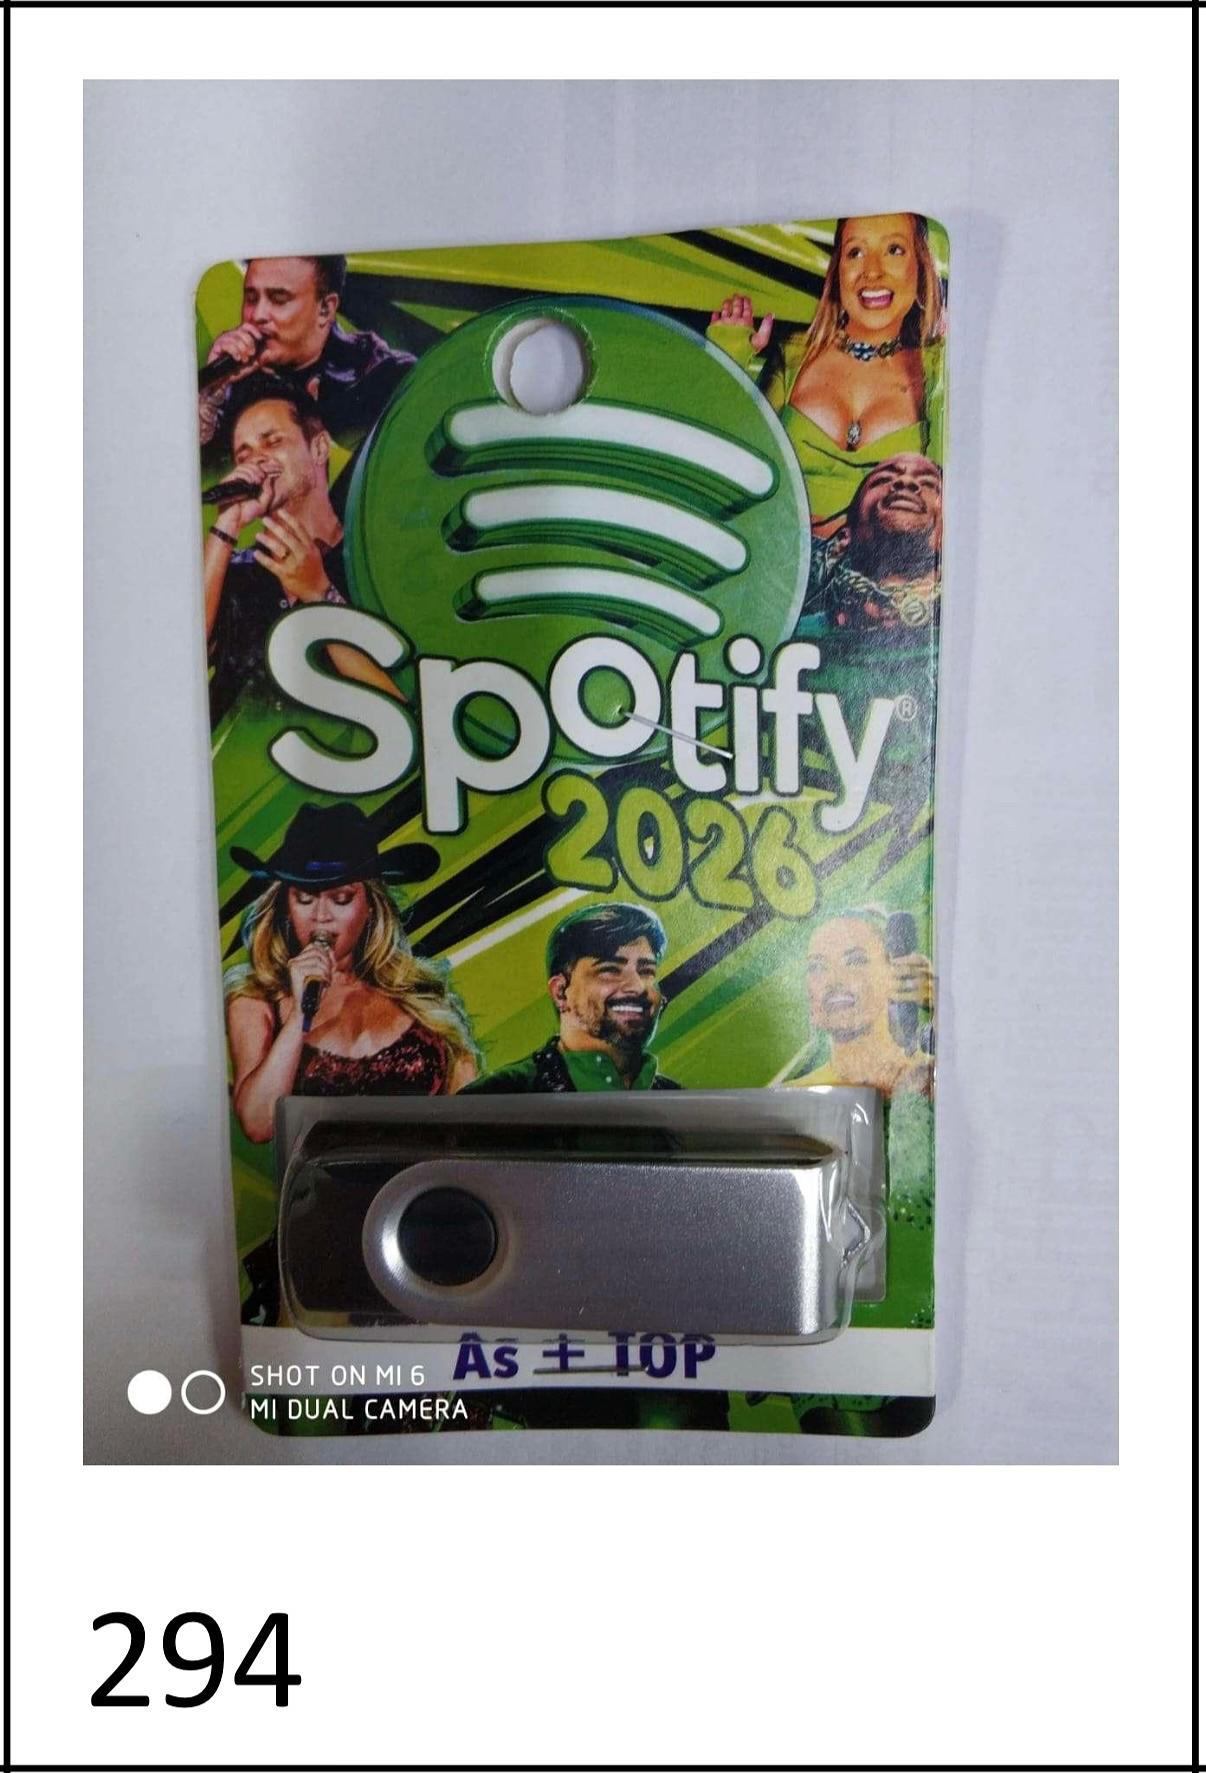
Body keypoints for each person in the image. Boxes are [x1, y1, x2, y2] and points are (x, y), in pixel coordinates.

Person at [225, 803, 477, 1141]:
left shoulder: (421, 996)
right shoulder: (255, 998)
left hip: (422, 1171)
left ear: (370, 904)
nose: (321, 916)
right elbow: (259, 1124)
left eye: (341, 898)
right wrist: (300, 1015)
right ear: (285, 905)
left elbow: (469, 1117)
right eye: (305, 898)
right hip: (319, 1174)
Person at [708, 214, 946, 521]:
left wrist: (953, 367)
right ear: (838, 271)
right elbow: (728, 472)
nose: (872, 271)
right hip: (781, 543)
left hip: (880, 553)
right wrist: (727, 364)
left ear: (921, 266)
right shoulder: (794, 356)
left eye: (894, 250)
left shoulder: (937, 370)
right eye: (855, 252)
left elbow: (943, 499)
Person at [203, 375, 404, 725]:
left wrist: (319, 595)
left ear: (319, 448)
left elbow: (400, 708)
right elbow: (177, 662)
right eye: (244, 454)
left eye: (272, 441)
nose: (257, 461)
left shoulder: (373, 562)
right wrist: (227, 523)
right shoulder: (233, 571)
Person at [198, 255, 413, 451]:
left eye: (279, 299)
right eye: (252, 298)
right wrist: (209, 395)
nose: (257, 315)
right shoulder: (233, 382)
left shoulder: (386, 375)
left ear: (325, 309)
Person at [464, 903, 680, 1093]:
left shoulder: (677, 1098)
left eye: (647, 971)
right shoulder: (496, 1096)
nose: (637, 986)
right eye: (610, 970)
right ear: (560, 991)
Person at [787, 911, 933, 1096]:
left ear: (895, 971)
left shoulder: (934, 1079)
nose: (834, 981)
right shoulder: (793, 1095)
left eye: (854, 961)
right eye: (817, 967)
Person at [806, 453, 943, 631]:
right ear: (845, 537)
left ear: (944, 537)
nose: (906, 480)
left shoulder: (960, 622)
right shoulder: (802, 628)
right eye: (883, 479)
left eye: (929, 484)